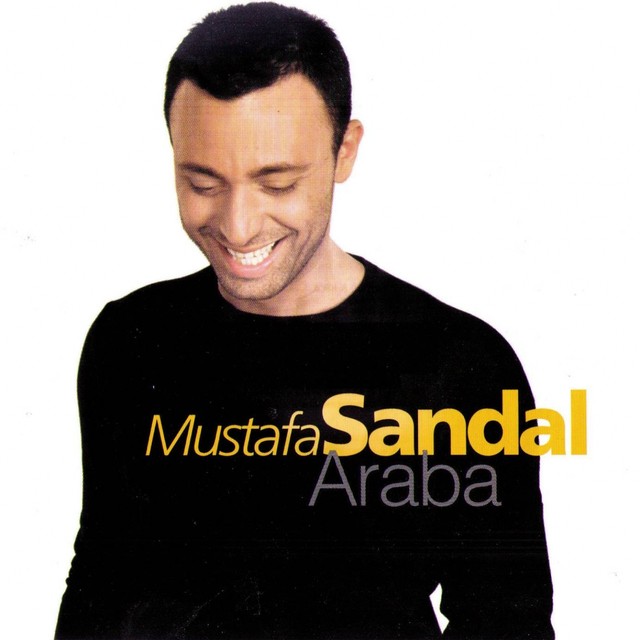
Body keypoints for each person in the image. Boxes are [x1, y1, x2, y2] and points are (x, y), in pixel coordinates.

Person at [55, 3, 554, 638]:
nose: (238, 226)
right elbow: (102, 583)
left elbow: (506, 622)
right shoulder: (131, 339)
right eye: (203, 183)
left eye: (277, 183)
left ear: (344, 151)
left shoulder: (460, 367)